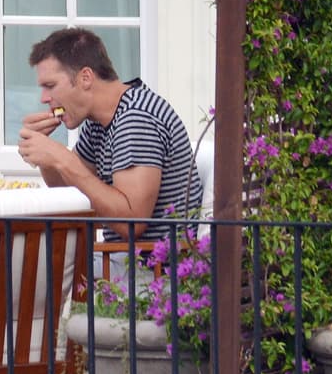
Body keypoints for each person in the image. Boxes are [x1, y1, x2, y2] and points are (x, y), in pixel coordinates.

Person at [17, 27, 201, 241]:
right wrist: (46, 157)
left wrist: (62, 158)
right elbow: (65, 185)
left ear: (85, 77)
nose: (44, 98)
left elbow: (132, 222)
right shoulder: (99, 122)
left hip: (152, 269)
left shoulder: (136, 118)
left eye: (50, 86)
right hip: (119, 262)